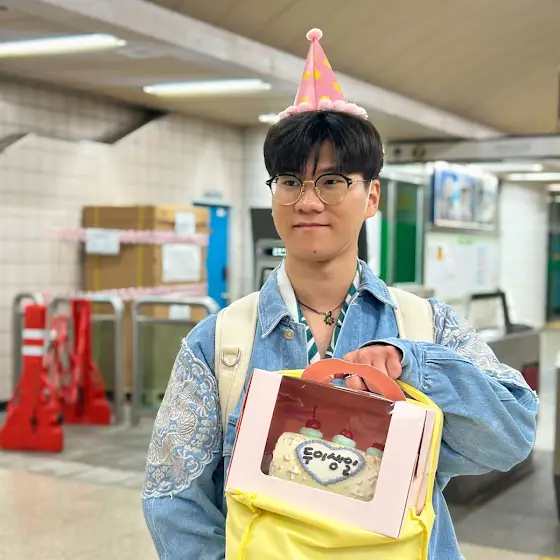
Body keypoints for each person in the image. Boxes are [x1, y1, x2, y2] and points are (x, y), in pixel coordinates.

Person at [142, 28, 538, 560]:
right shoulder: (219, 343)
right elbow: (173, 495)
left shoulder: (424, 326)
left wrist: (414, 365)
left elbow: (511, 435)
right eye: (290, 181)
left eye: (332, 181)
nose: (308, 202)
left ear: (371, 196)